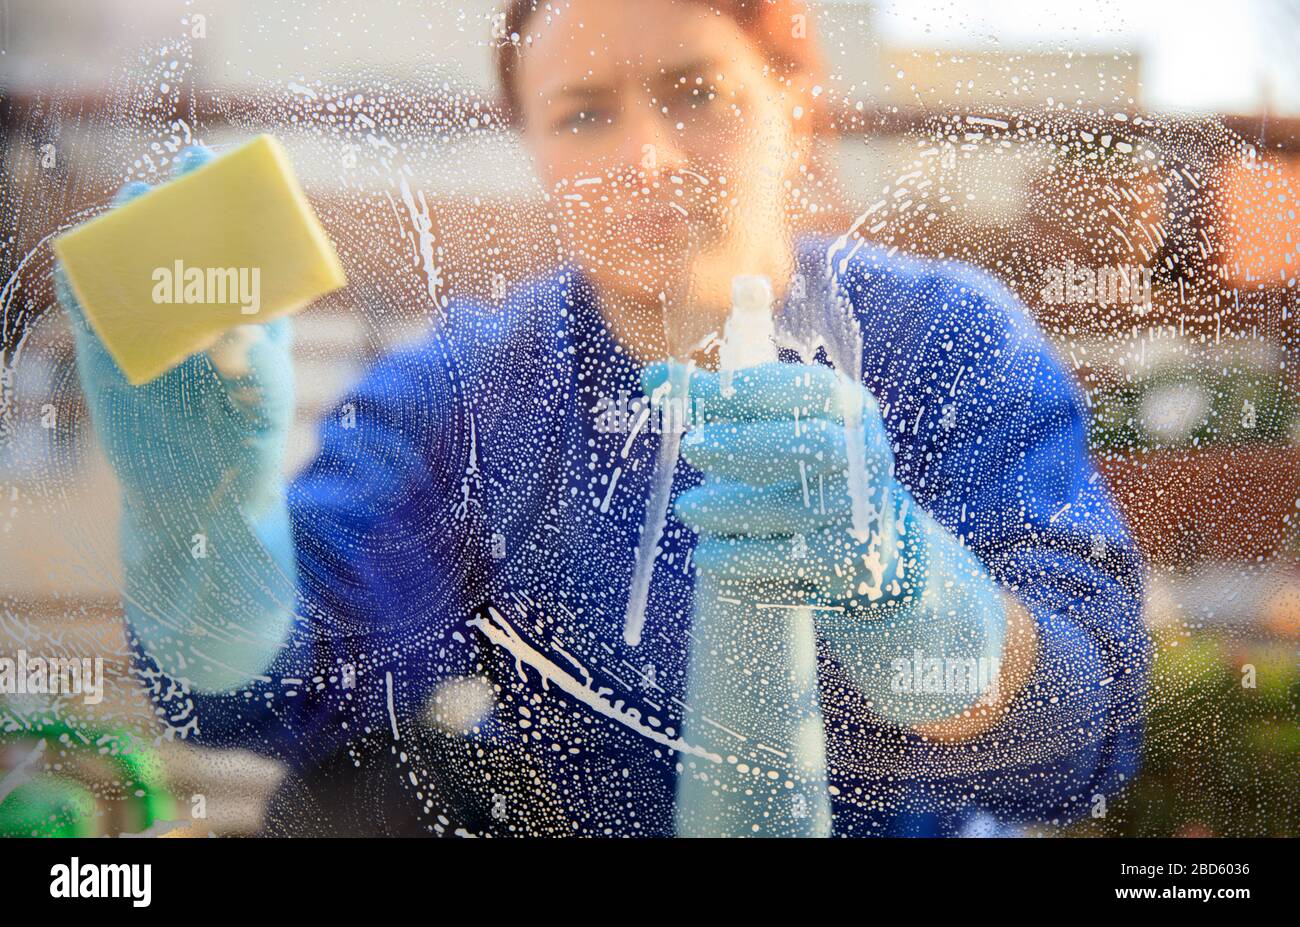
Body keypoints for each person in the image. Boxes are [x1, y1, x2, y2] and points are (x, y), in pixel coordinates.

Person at [56, 0, 1150, 836]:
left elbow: (1085, 736)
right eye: (583, 114)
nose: (646, 160)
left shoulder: (946, 341)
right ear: (534, 147)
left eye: (694, 91)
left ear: (793, 97)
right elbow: (290, 687)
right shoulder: (475, 390)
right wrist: (203, 529)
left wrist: (921, 602)